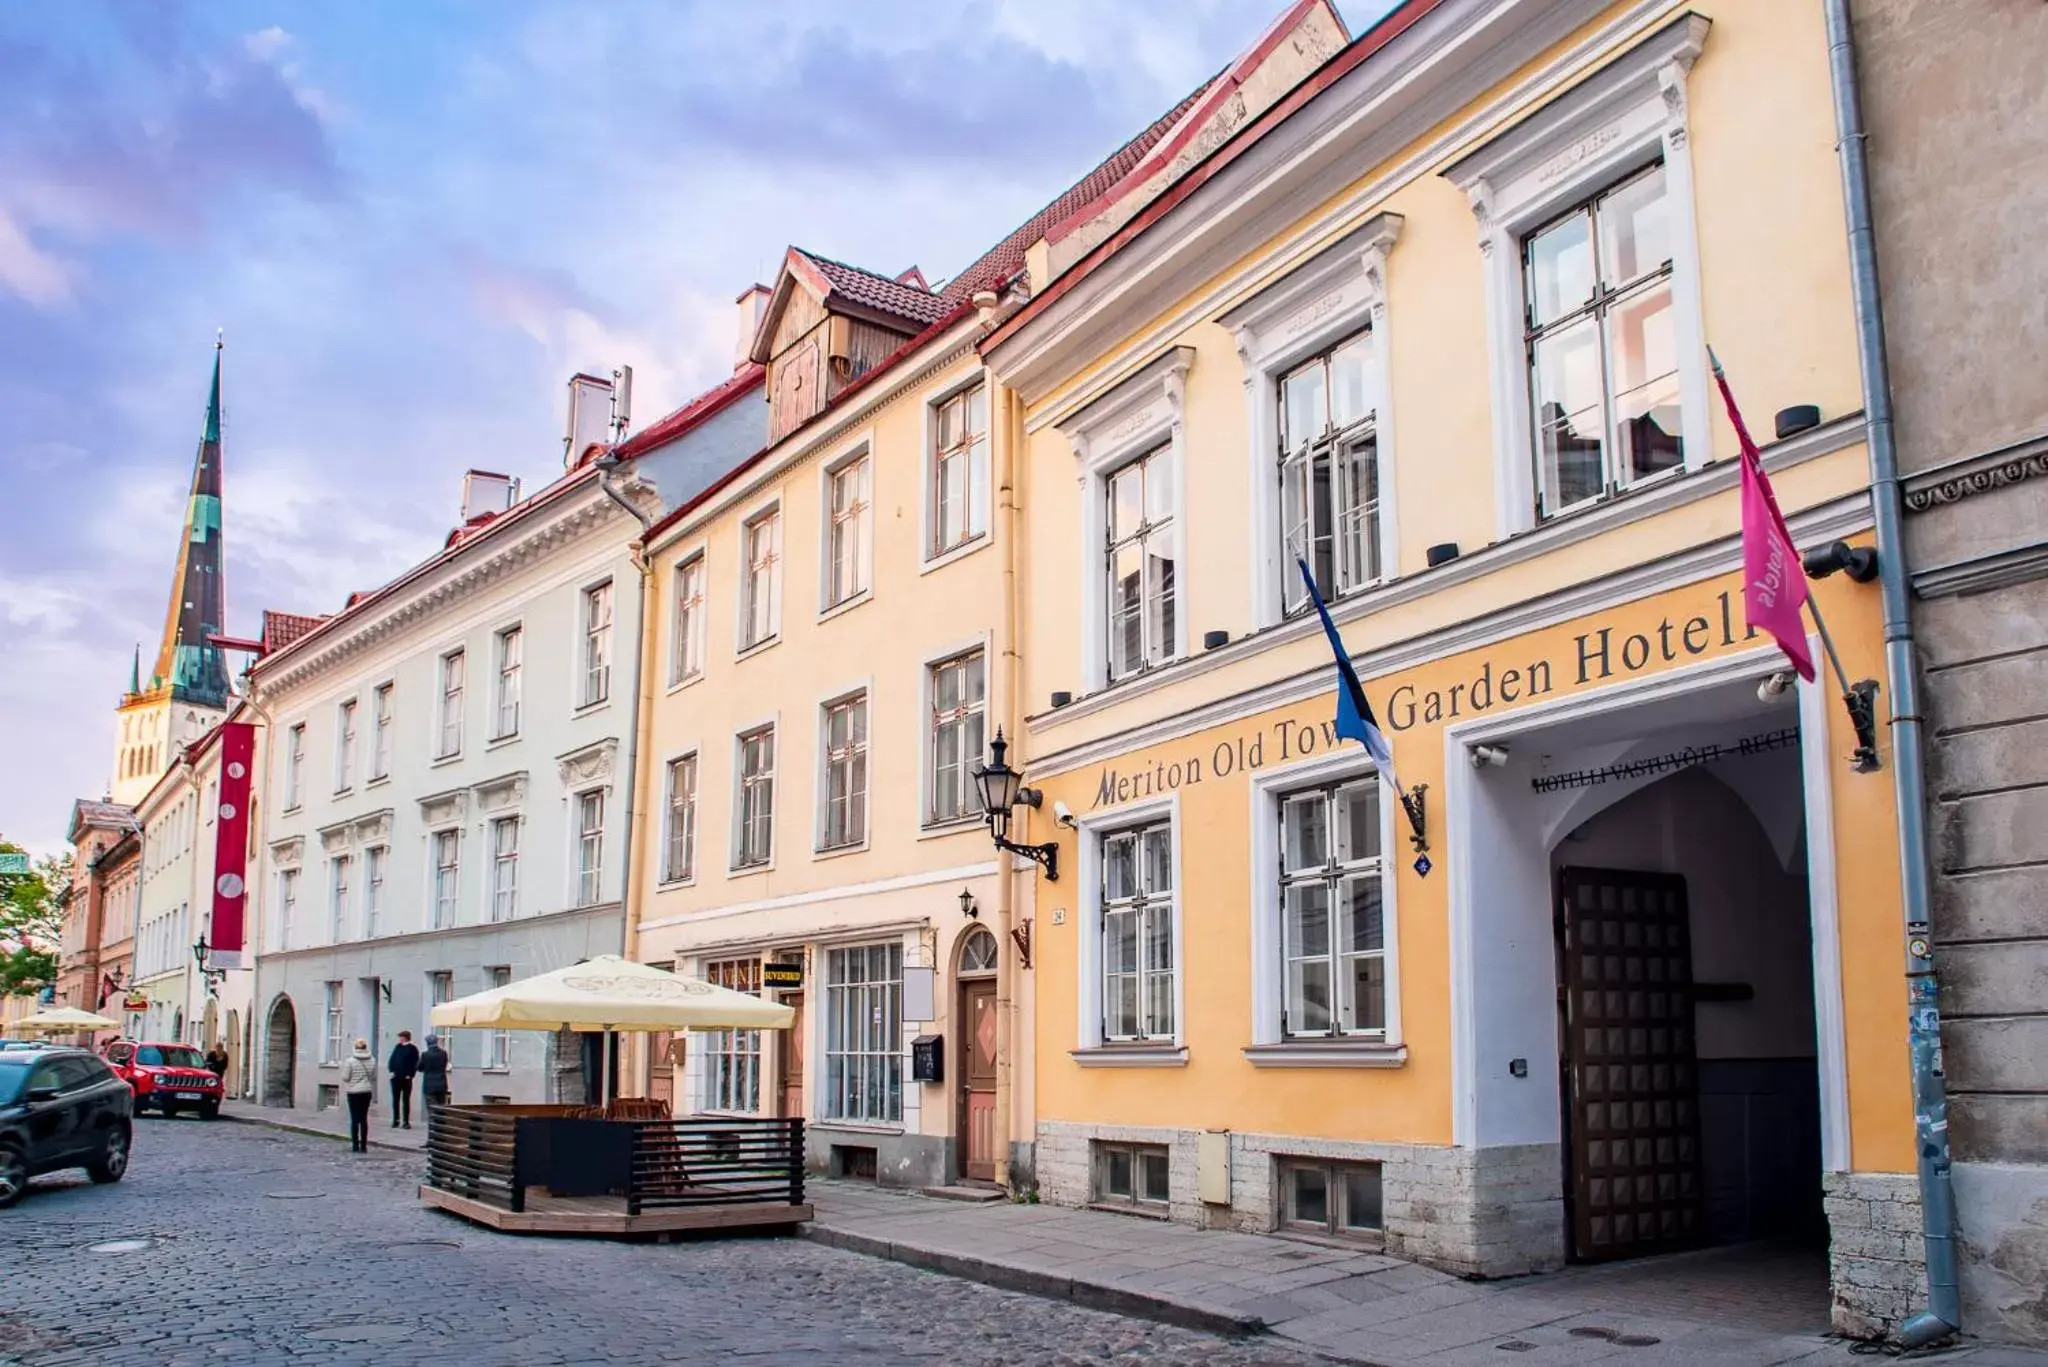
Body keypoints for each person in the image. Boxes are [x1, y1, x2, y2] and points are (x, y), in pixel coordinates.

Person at [341, 1039, 376, 1152]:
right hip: (366, 1091)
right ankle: (364, 1146)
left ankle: (355, 1145)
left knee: (355, 1119)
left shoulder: (350, 1061)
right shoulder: (372, 1060)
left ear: (355, 1047)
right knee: (363, 1118)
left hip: (353, 1092)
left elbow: (345, 1077)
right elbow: (374, 1077)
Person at [387, 1030, 419, 1129]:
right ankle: (396, 1120)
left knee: (406, 1100)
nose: (400, 1039)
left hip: (406, 1077)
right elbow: (392, 1059)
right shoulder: (398, 1047)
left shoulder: (412, 1048)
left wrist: (410, 1074)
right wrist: (391, 1070)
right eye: (399, 1037)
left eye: (401, 1037)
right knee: (395, 1099)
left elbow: (415, 1062)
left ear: (406, 1038)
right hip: (396, 1077)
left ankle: (406, 1121)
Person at [418, 1034, 450, 1113]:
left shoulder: (425, 1055)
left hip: (429, 1085)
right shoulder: (443, 1053)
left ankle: (433, 1125)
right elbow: (444, 1064)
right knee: (441, 1108)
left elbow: (419, 1067)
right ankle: (441, 1124)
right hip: (441, 1084)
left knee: (432, 1109)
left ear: (427, 1043)